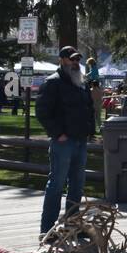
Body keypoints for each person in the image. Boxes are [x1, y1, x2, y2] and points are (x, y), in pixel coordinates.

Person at [37, 46, 96, 236]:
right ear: (62, 60)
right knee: (56, 183)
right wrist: (57, 133)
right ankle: (47, 229)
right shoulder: (52, 83)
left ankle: (73, 224)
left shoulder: (81, 82)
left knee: (77, 184)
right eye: (71, 59)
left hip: (80, 140)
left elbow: (89, 108)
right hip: (63, 141)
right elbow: (42, 112)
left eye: (78, 59)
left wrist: (90, 131)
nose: (75, 63)